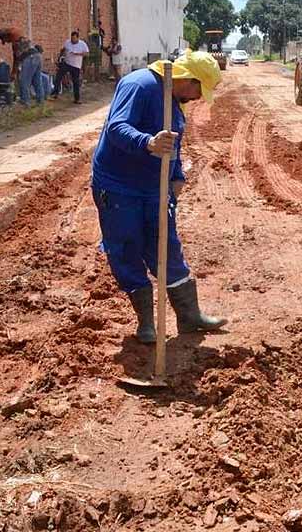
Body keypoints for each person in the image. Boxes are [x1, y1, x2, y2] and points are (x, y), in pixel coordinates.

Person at [90, 50, 227, 344]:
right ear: (187, 79)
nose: (196, 98)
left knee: (167, 247)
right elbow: (117, 128)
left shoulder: (176, 101)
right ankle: (146, 322)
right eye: (197, 90)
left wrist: (177, 175)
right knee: (126, 246)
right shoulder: (138, 85)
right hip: (118, 185)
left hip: (155, 185)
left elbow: (173, 142)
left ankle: (189, 317)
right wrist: (147, 142)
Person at [53, 30, 88, 103]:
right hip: (67, 63)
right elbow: (63, 51)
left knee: (75, 82)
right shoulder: (67, 42)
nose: (72, 40)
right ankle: (55, 93)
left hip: (76, 66)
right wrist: (59, 57)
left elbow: (87, 54)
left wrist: (77, 54)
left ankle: (77, 99)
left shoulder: (82, 44)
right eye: (72, 38)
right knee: (58, 76)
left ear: (78, 38)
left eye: (74, 39)